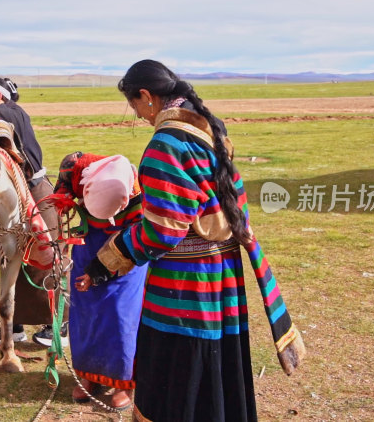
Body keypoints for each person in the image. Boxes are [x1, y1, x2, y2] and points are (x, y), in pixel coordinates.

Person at [84, 60, 305, 421]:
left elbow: (163, 231)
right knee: (216, 370)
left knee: (180, 378)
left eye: (136, 105)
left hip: (185, 283)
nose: (139, 116)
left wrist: (107, 260)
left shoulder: (165, 145)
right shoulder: (206, 129)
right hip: (222, 272)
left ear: (146, 96)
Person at [0, 77, 66, 346]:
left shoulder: (13, 112)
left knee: (46, 252)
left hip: (33, 188)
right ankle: (12, 327)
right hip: (2, 190)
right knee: (1, 255)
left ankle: (57, 326)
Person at [52, 152, 148, 410]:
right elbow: (59, 206)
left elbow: (139, 236)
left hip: (126, 248)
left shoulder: (138, 191)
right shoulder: (71, 169)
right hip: (87, 241)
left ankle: (122, 382)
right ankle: (88, 374)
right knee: (85, 313)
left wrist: (100, 272)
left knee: (120, 316)